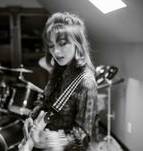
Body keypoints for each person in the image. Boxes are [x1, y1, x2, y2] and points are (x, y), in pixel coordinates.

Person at [19, 12, 98, 151]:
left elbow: (84, 137)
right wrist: (32, 117)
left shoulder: (86, 83)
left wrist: (55, 141)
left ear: (77, 43)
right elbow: (44, 101)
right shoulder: (60, 69)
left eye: (62, 43)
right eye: (51, 45)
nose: (55, 51)